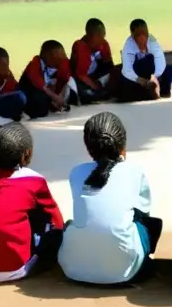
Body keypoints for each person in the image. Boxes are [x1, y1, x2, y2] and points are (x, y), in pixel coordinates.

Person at [58, 112, 162, 285]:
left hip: (74, 270)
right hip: (123, 271)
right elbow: (143, 213)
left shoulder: (77, 172)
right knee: (150, 224)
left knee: (71, 223)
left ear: (88, 147)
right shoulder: (134, 172)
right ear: (122, 145)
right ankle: (142, 264)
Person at [0, 123, 65, 283]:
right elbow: (55, 218)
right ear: (27, 154)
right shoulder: (34, 180)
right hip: (12, 269)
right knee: (53, 231)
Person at [116, 19, 172, 102]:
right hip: (139, 74)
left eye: (144, 33)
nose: (142, 36)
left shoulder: (152, 42)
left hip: (152, 73)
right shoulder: (129, 46)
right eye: (138, 34)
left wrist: (156, 77)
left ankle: (161, 90)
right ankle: (148, 89)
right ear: (132, 34)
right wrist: (144, 81)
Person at [19, 40, 77, 119]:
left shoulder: (62, 62)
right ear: (47, 56)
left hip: (50, 93)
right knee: (39, 101)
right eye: (58, 56)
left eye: (62, 55)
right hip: (32, 91)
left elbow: (66, 79)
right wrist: (55, 97)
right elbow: (40, 84)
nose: (62, 58)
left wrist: (59, 96)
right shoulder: (35, 63)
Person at [70, 18, 115, 104]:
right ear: (89, 35)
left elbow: (109, 66)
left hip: (96, 77)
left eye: (103, 36)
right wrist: (96, 87)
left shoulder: (103, 44)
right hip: (82, 81)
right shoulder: (80, 46)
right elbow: (81, 74)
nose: (101, 40)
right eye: (98, 36)